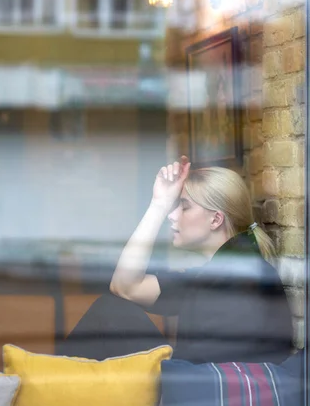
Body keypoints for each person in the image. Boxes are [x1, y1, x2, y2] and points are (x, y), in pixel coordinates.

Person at [59, 156, 294, 364]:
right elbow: (124, 286)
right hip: (196, 386)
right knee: (111, 308)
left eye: (184, 207)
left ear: (215, 220)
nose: (172, 216)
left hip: (209, 401)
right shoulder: (212, 274)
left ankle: (44, 394)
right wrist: (157, 205)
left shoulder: (243, 278)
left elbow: (213, 368)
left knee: (109, 312)